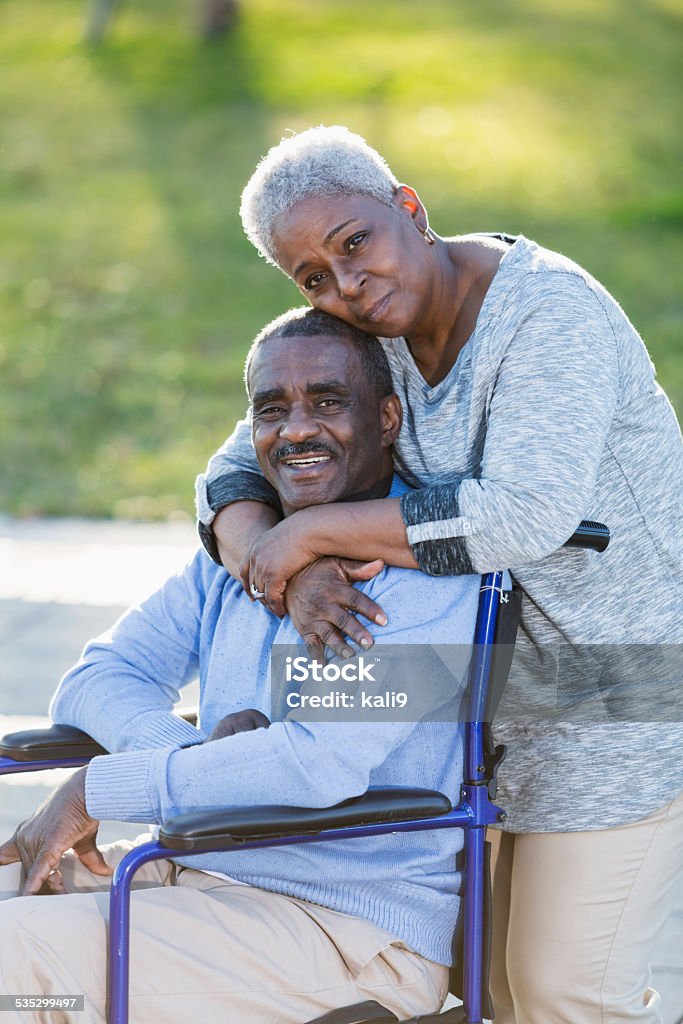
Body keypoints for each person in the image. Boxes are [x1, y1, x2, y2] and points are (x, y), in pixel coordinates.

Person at [195, 126, 683, 1024]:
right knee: (483, 988)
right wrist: (281, 567)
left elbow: (521, 514)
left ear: (408, 209)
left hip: (616, 694)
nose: (345, 284)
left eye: (354, 244)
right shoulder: (364, 330)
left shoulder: (547, 316)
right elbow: (229, 477)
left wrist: (323, 532)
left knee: (565, 992)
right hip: (474, 704)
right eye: (311, 277)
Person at [0, 308, 482, 1024]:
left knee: (12, 964)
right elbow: (98, 677)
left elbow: (317, 763)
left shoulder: (419, 578)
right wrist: (187, 755)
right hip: (201, 872)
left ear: (387, 417)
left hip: (344, 930)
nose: (294, 429)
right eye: (271, 409)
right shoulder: (239, 559)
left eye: (326, 401)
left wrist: (103, 786)